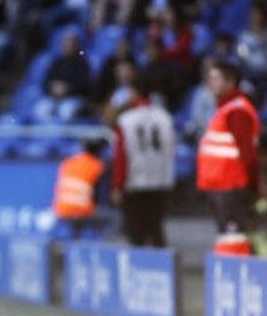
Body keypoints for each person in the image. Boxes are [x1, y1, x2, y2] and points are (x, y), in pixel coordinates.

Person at [197, 61, 260, 255]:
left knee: (234, 238)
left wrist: (253, 186)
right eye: (209, 79)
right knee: (226, 235)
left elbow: (248, 154)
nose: (211, 84)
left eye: (216, 79)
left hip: (232, 186)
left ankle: (237, 276)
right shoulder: (224, 110)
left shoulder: (237, 111)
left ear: (231, 82)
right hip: (219, 186)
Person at [112, 83, 175, 247]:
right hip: (159, 179)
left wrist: (118, 184)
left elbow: (121, 156)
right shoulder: (165, 117)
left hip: (135, 180)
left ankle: (138, 267)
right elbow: (171, 148)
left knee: (135, 230)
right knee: (156, 228)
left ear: (135, 94)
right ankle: (161, 267)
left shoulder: (125, 120)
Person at [52, 138, 107, 240]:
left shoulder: (68, 162)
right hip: (82, 211)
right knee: (115, 219)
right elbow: (100, 193)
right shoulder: (97, 165)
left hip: (61, 209)